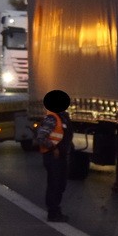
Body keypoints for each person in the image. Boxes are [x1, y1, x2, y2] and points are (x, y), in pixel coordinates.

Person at [35, 89, 73, 222]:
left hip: (61, 156)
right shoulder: (52, 118)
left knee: (60, 184)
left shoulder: (63, 117)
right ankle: (53, 212)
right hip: (52, 156)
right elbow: (40, 137)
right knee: (54, 184)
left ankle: (56, 209)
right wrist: (53, 147)